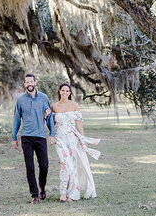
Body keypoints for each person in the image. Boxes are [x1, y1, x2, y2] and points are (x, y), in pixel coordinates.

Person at [51, 82, 100, 202]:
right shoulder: (54, 106)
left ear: (70, 93)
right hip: (60, 138)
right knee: (64, 163)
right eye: (63, 90)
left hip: (73, 138)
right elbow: (52, 124)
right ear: (59, 91)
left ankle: (72, 194)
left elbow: (78, 123)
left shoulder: (74, 105)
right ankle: (63, 192)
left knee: (72, 165)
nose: (65, 93)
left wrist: (82, 139)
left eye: (67, 91)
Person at [12, 73, 55, 204]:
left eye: (31, 81)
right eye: (27, 82)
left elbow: (49, 117)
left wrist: (52, 133)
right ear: (24, 84)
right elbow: (16, 119)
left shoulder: (43, 98)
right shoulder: (20, 100)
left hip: (41, 136)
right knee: (30, 167)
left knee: (44, 166)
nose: (29, 84)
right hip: (26, 137)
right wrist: (14, 138)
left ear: (35, 82)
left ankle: (42, 187)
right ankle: (34, 195)